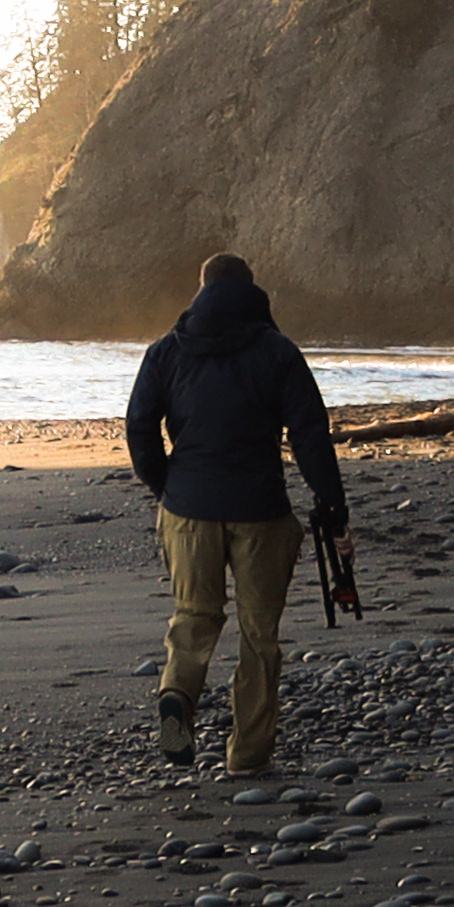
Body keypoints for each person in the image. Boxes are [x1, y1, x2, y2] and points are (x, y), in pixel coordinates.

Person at [125, 252, 345, 775]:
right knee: (259, 634)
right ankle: (247, 757)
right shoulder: (277, 352)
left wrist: (166, 485)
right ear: (253, 292)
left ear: (200, 290)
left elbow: (138, 427)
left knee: (195, 618)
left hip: (188, 509)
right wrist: (332, 506)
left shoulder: (166, 352)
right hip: (261, 510)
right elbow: (310, 435)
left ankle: (178, 694)